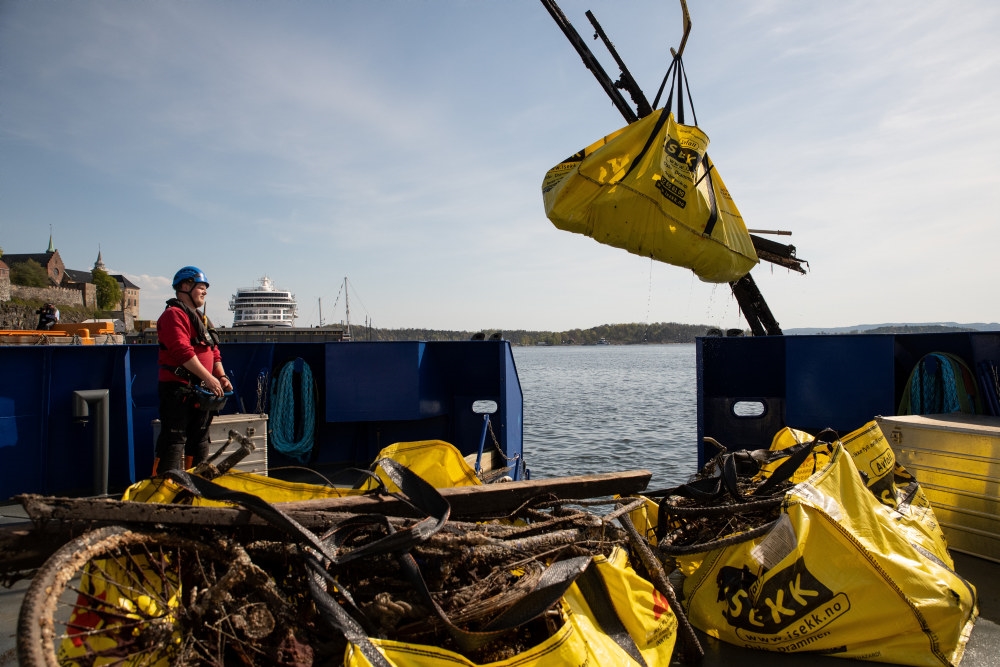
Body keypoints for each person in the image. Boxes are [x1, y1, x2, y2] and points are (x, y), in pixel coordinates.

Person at [153, 266, 232, 474]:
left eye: (206, 288)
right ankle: (165, 489)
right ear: (185, 286)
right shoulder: (173, 315)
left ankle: (195, 485)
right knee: (174, 440)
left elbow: (214, 351)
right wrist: (209, 378)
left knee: (200, 440)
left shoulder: (202, 319)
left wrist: (221, 376)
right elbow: (182, 352)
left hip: (200, 391)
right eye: (200, 287)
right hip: (178, 390)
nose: (205, 291)